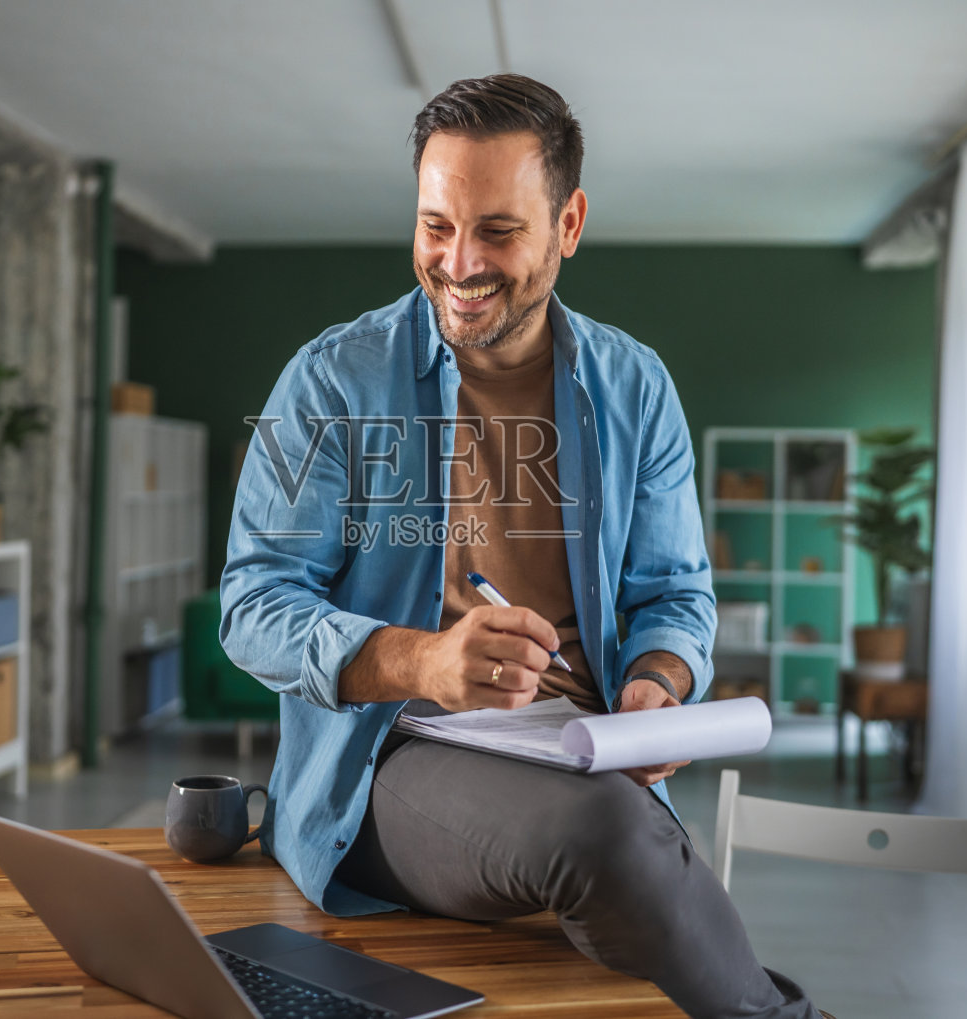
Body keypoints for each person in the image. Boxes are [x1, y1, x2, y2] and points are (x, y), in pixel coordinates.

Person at [220, 74, 825, 1019]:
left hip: (583, 749)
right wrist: (423, 657)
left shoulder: (635, 386)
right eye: (435, 225)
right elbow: (253, 606)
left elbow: (675, 591)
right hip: (396, 755)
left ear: (568, 223)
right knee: (611, 840)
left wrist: (656, 688)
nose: (459, 263)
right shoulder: (334, 379)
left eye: (498, 231)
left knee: (614, 846)